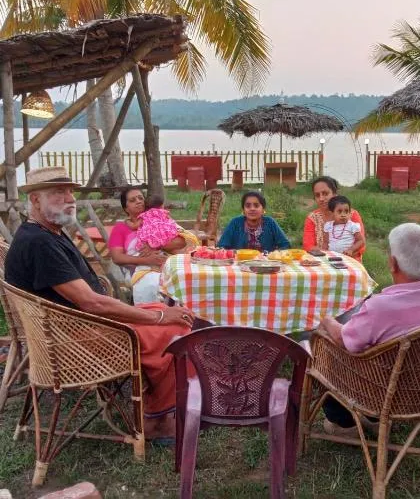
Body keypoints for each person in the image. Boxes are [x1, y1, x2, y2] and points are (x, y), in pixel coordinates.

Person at [4, 167, 196, 442]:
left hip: (77, 327)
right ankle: (156, 421)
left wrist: (158, 313)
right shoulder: (39, 243)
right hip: (74, 341)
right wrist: (160, 318)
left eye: (70, 191)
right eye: (59, 193)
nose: (70, 198)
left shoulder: (46, 233)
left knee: (169, 315)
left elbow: (89, 300)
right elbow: (91, 302)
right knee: (174, 330)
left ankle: (157, 406)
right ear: (35, 200)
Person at [318, 223, 420, 434]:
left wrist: (326, 320)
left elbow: (344, 341)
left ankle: (345, 421)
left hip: (381, 394)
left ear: (392, 263)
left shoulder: (379, 308)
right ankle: (372, 420)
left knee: (322, 340)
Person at [108, 187, 187, 305]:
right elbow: (117, 257)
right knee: (154, 283)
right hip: (138, 270)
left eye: (140, 198)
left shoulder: (159, 219)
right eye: (132, 200)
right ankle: (155, 315)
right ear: (126, 208)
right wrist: (146, 260)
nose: (138, 201)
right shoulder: (120, 228)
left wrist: (154, 244)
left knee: (186, 278)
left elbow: (182, 241)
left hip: (166, 263)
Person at [303, 176, 365, 257]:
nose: (321, 198)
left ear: (335, 194)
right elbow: (308, 247)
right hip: (323, 260)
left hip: (350, 261)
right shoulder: (312, 218)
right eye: (317, 195)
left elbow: (361, 246)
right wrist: (328, 255)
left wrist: (346, 254)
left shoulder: (352, 215)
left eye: (325, 193)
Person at [218, 191, 290, 252]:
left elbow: (285, 245)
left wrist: (274, 254)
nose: (252, 209)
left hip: (265, 265)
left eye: (256, 205)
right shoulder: (235, 223)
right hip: (239, 264)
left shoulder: (270, 223)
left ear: (263, 209)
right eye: (248, 206)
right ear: (243, 210)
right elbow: (222, 246)